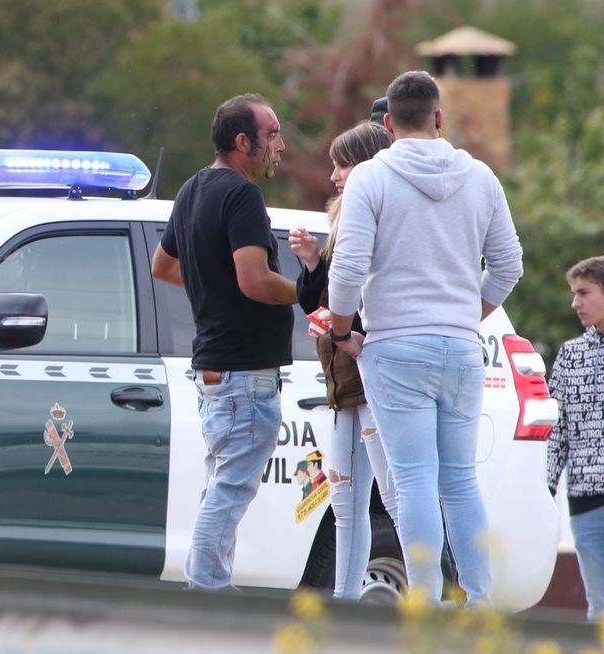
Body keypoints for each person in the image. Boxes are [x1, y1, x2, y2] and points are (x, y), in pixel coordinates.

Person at [328, 70, 524, 606]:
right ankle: (480, 602)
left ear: (387, 123)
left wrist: (343, 329)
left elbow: (346, 269)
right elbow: (509, 264)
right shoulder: (480, 177)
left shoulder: (371, 178)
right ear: (440, 117)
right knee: (460, 481)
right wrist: (468, 313)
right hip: (460, 347)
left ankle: (426, 601)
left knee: (414, 481)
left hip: (393, 346)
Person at [151, 93, 297, 591]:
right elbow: (256, 282)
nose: (281, 144)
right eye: (272, 133)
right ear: (244, 141)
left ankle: (211, 581)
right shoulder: (241, 195)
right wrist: (309, 291)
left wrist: (211, 282)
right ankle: (207, 590)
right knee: (231, 490)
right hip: (244, 373)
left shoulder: (193, 188)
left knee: (222, 487)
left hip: (217, 370)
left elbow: (162, 266)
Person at [289, 122, 400, 599]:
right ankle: (344, 601)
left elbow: (370, 301)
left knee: (397, 497)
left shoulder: (385, 220)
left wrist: (348, 332)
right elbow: (323, 299)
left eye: (343, 165)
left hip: (372, 376)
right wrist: (314, 264)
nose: (334, 176)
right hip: (344, 384)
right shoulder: (343, 221)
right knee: (344, 500)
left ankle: (433, 596)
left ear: (370, 168)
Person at [548, 256, 604, 619]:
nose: (575, 303)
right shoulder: (571, 355)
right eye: (573, 294)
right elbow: (557, 433)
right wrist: (543, 490)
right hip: (586, 504)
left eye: (584, 293)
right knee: (598, 610)